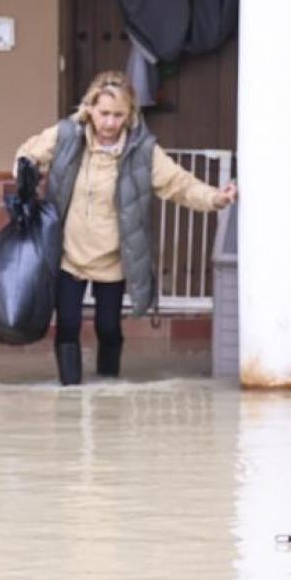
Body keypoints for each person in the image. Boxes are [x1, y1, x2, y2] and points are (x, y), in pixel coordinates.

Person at [15, 70, 236, 385]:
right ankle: (70, 393)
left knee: (108, 327)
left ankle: (108, 387)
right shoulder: (66, 136)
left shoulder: (142, 152)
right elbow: (27, 155)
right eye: (104, 113)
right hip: (68, 253)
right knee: (67, 325)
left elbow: (178, 183)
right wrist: (26, 175)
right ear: (90, 108)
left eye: (118, 115)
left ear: (130, 115)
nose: (109, 123)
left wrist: (215, 198)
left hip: (114, 258)